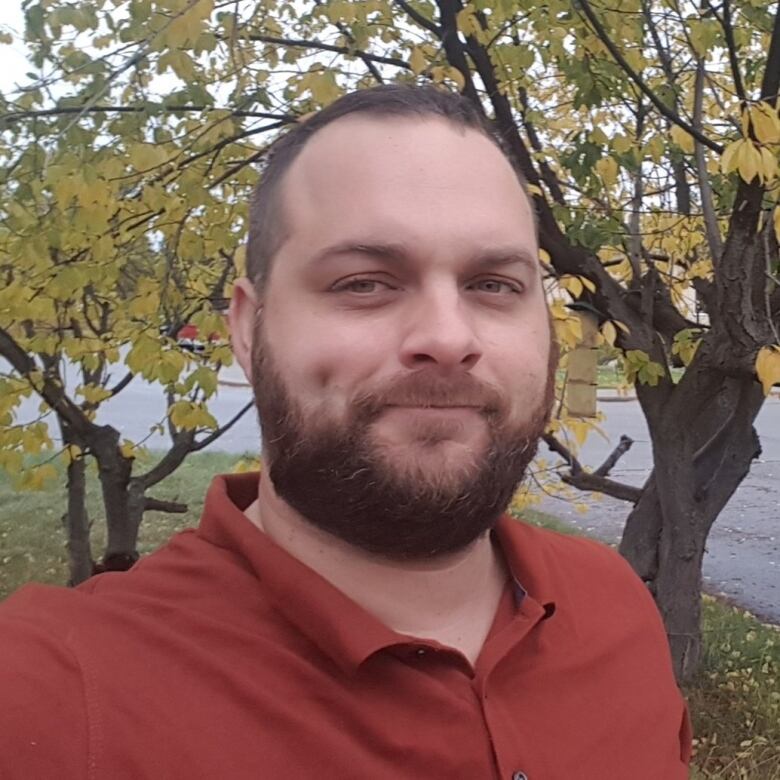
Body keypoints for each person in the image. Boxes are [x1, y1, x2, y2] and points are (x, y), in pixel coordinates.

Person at [0, 84, 691, 779]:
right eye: (364, 282)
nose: (448, 339)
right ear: (247, 326)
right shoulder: (55, 697)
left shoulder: (614, 605)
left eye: (493, 284)